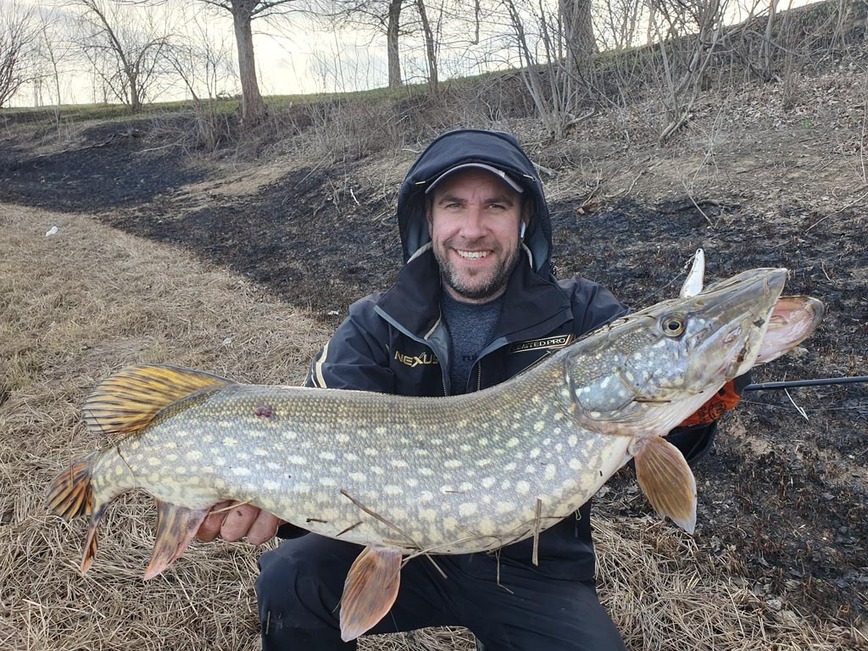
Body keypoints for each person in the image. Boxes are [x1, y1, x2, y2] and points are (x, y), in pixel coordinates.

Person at [196, 129, 742, 650]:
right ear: (427, 219)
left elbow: (662, 435)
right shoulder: (373, 327)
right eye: (454, 204)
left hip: (535, 567)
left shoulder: (584, 317)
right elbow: (323, 461)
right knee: (290, 579)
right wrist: (271, 503)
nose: (472, 228)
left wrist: (706, 393)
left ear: (524, 218)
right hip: (398, 551)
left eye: (496, 206)